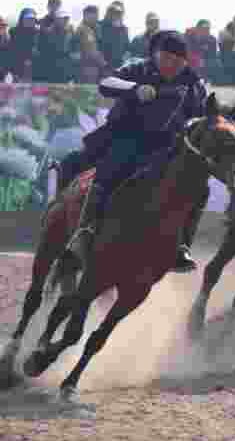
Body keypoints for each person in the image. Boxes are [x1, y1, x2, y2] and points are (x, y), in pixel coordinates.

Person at [65, 31, 209, 275]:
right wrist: (135, 89)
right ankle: (84, 234)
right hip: (129, 138)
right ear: (156, 55)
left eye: (176, 61)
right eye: (165, 59)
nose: (170, 66)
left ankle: (181, 245)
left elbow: (201, 117)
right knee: (110, 170)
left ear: (185, 62)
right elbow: (106, 83)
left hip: (168, 147)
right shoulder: (137, 69)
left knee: (198, 188)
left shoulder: (194, 84)